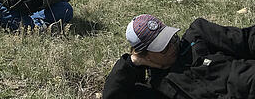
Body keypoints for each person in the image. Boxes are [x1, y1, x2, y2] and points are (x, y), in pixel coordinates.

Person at [103, 13, 255, 99]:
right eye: (163, 47)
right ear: (146, 56)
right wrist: (132, 63)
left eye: (172, 38)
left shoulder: (198, 35)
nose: (172, 47)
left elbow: (246, 39)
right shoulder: (156, 87)